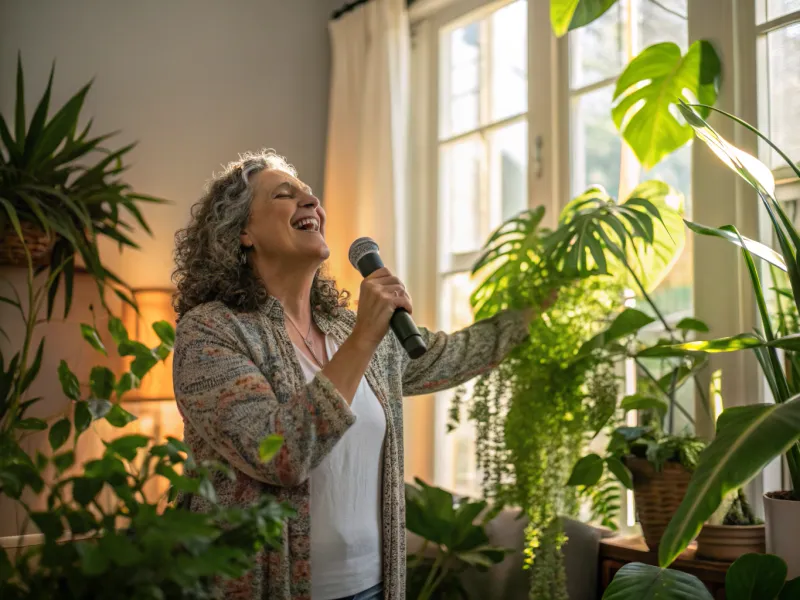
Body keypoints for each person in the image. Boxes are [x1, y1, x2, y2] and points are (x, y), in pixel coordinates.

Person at [171, 150, 550, 600]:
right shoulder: (211, 331)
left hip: (374, 585)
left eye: (312, 196)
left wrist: (533, 311)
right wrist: (365, 338)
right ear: (243, 232)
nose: (311, 202)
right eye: (285, 195)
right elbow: (280, 453)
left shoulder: (347, 330)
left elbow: (450, 356)